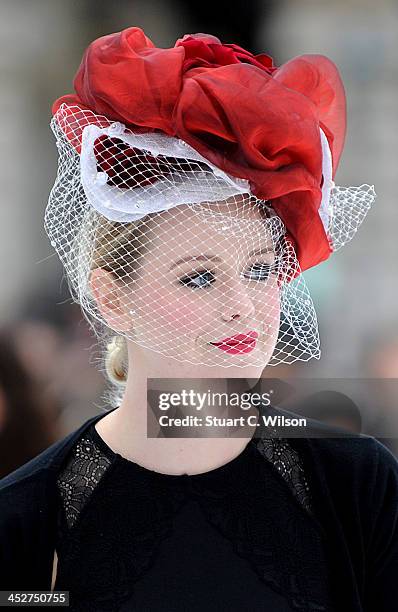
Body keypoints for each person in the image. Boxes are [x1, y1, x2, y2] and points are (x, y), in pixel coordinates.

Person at [0, 26, 396, 612]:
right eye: (199, 276)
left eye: (261, 270)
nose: (242, 304)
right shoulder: (29, 518)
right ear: (111, 297)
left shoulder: (356, 486)